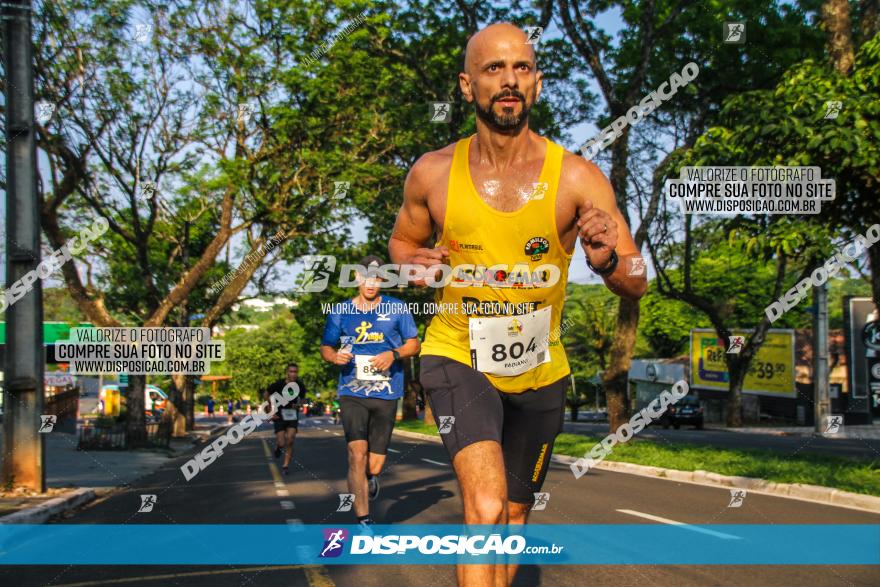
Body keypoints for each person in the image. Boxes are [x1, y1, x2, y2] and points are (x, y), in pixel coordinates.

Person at [388, 23, 647, 586]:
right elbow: (402, 242)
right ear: (466, 85)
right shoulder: (432, 172)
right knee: (483, 507)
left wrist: (606, 259)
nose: (509, 81)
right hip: (457, 352)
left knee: (512, 513)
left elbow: (636, 280)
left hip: (539, 365)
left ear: (538, 82)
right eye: (493, 69)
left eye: (521, 68)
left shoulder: (577, 176)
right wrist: (412, 263)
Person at [320, 255, 420, 527]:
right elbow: (326, 347)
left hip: (387, 392)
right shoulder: (340, 311)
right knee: (356, 454)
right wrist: (333, 357)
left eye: (376, 277)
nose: (370, 283)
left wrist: (394, 353)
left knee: (373, 464)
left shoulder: (396, 308)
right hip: (352, 390)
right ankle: (364, 520)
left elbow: (414, 344)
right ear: (356, 278)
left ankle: (371, 477)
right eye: (365, 277)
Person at [265, 363, 308, 475]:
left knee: (291, 439)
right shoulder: (279, 384)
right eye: (291, 371)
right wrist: (270, 408)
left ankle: (285, 466)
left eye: (295, 372)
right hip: (279, 415)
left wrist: (298, 405)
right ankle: (279, 448)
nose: (293, 374)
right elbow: (266, 394)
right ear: (287, 373)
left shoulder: (300, 385)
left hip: (292, 415)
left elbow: (303, 400)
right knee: (281, 442)